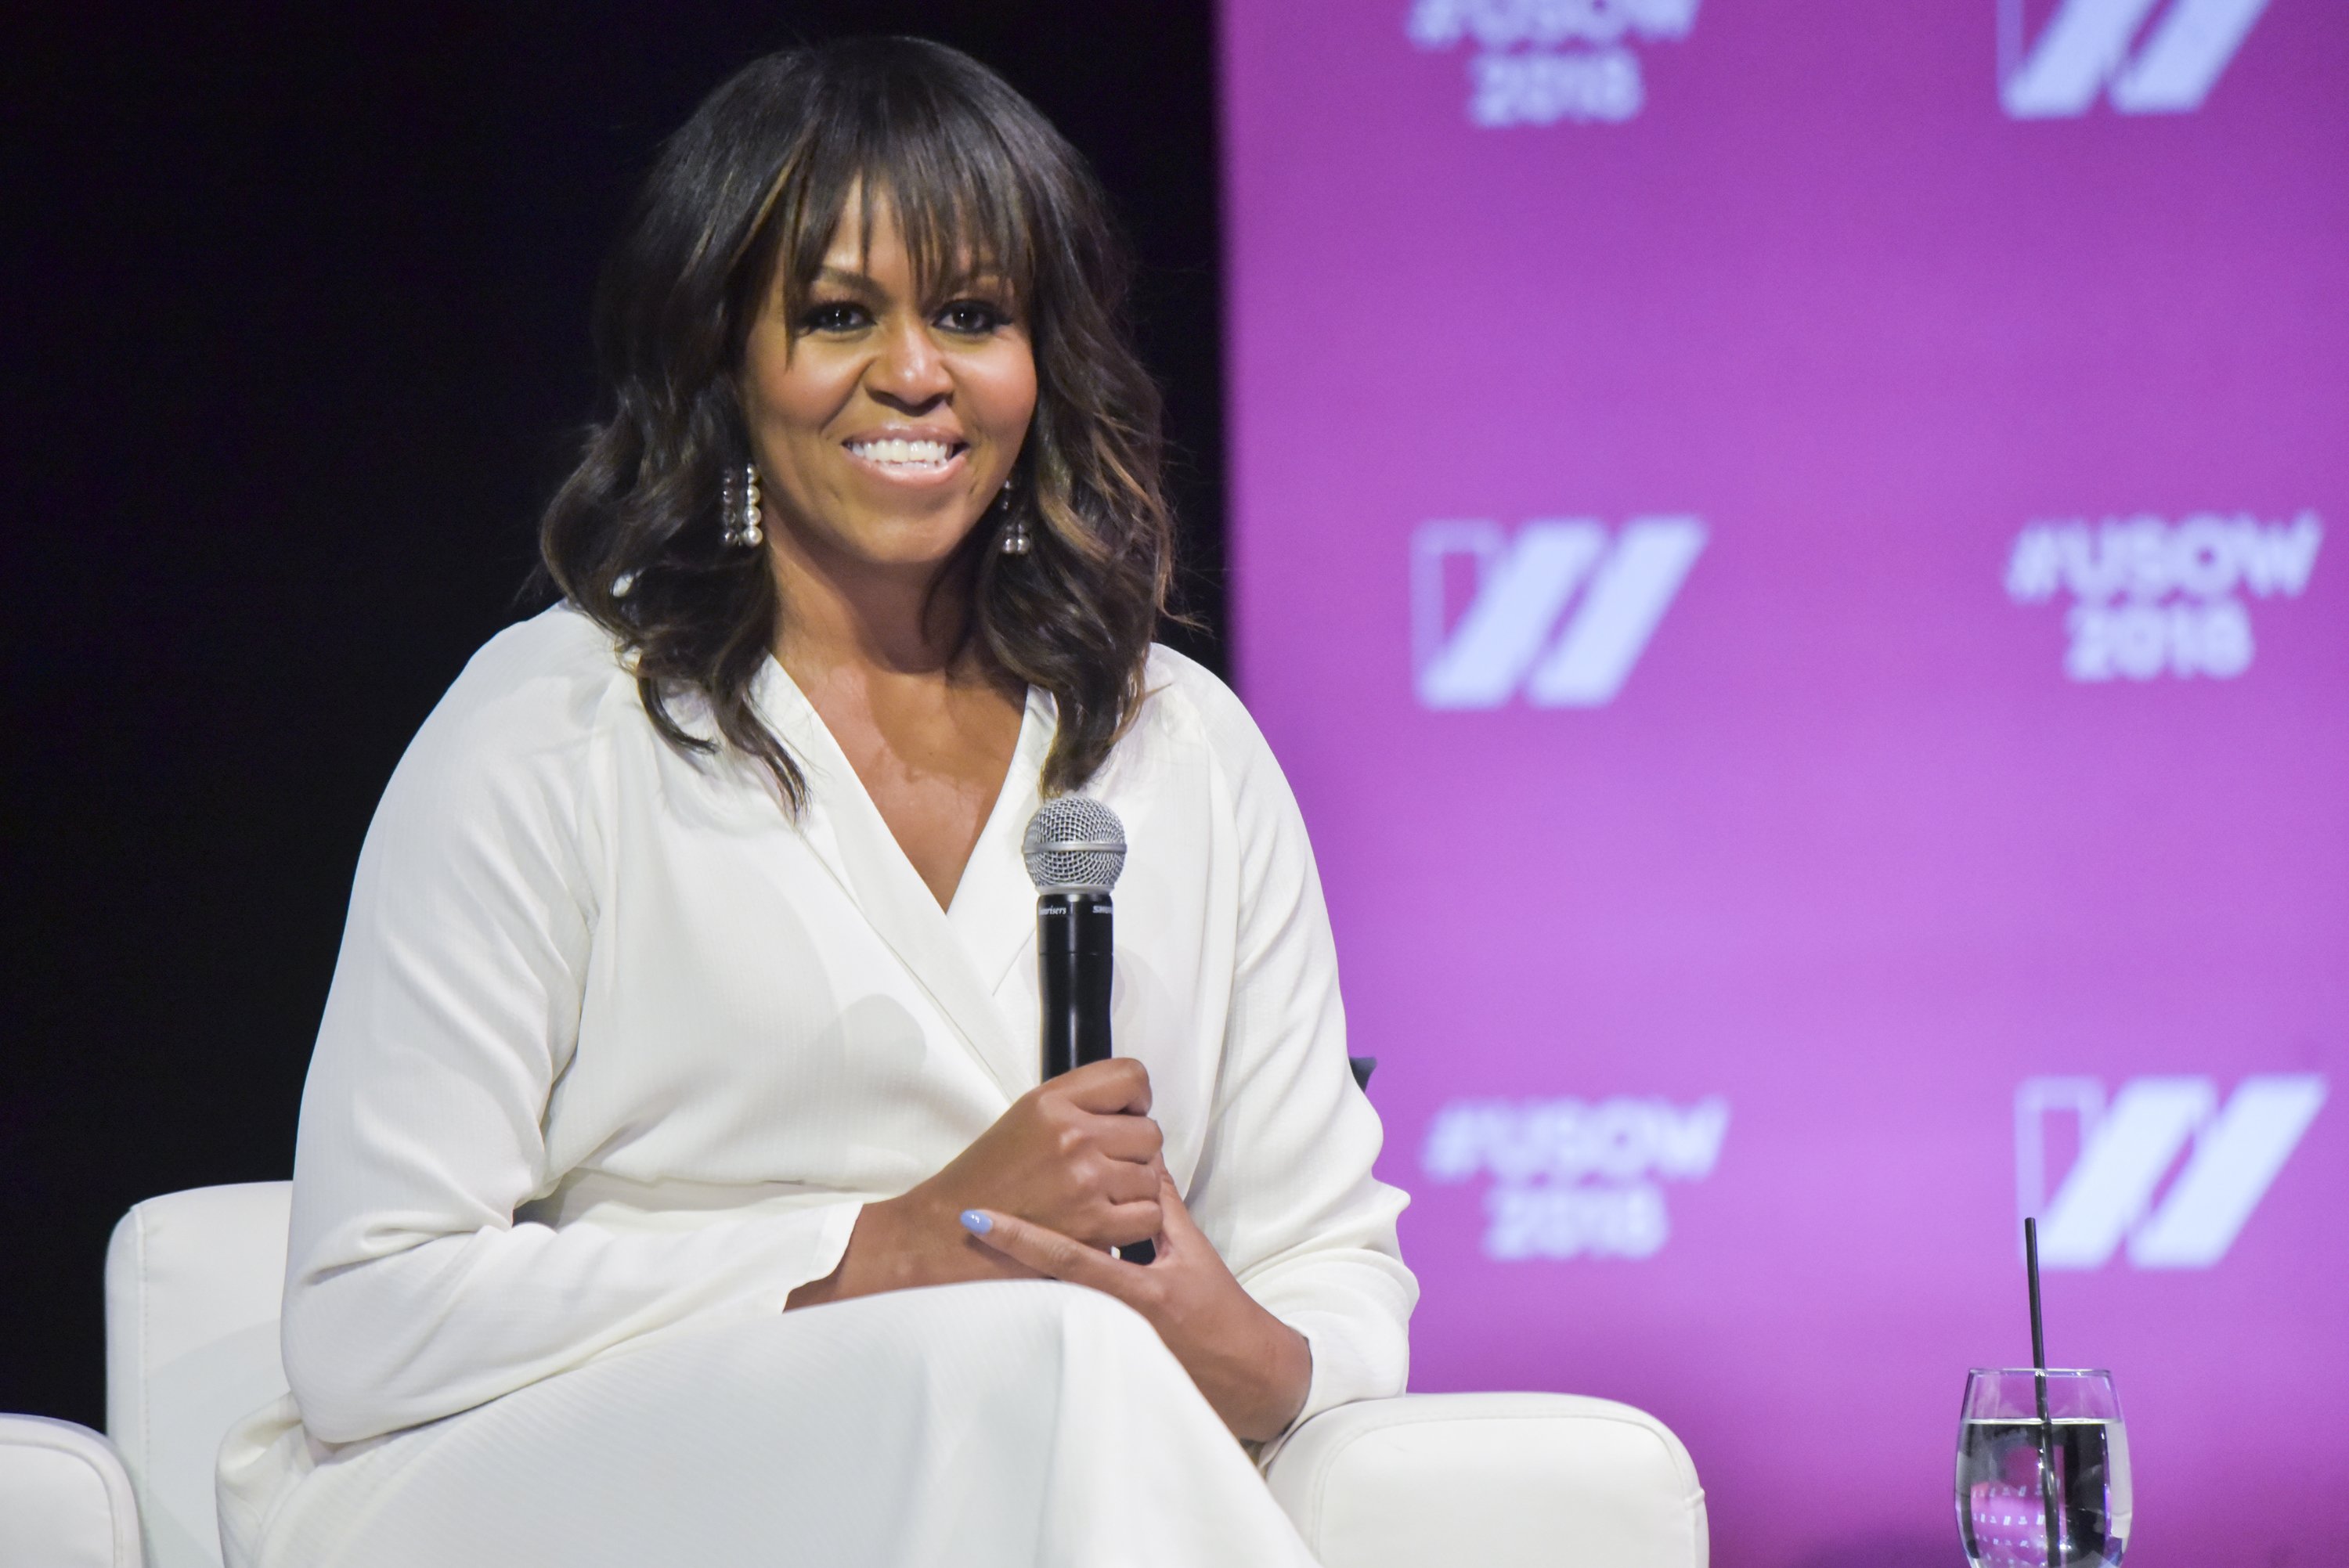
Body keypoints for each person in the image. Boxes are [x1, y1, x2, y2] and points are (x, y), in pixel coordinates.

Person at [216, 37, 1413, 1568]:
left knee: (1066, 1369)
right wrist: (881, 1251)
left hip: (1064, 1449)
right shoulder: (555, 724)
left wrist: (1219, 1328)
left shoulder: (1179, 746)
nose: (913, 372)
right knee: (1040, 1365)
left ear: (1043, 369)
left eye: (973, 316)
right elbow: (366, 1317)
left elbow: (1338, 1278)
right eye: (840, 315)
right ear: (723, 362)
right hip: (581, 1477)